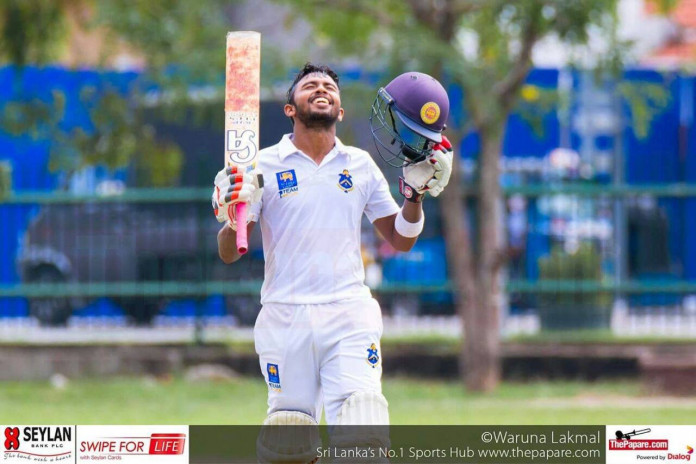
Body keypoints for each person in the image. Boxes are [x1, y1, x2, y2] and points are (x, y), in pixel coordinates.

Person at [212, 63, 452, 459]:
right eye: (310, 86)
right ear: (290, 108)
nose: (321, 89)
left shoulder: (359, 165)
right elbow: (227, 251)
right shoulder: (261, 167)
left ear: (340, 111)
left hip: (348, 315)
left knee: (364, 431)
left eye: (329, 87)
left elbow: (400, 238)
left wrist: (415, 197)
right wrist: (233, 212)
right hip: (285, 317)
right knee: (288, 441)